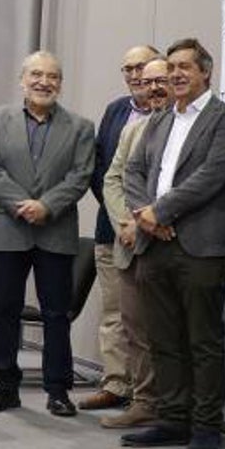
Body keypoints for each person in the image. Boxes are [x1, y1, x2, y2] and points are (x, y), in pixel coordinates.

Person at [119, 37, 225, 449]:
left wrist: (161, 212)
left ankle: (206, 426)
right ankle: (172, 418)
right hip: (154, 244)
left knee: (203, 340)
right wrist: (146, 216)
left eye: (184, 67)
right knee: (163, 336)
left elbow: (212, 176)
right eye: (171, 66)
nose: (175, 74)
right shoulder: (159, 119)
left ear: (205, 72)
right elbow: (134, 170)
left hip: (201, 246)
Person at [0, 50, 95, 417]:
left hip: (55, 230)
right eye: (37, 74)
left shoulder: (81, 127)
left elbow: (81, 175)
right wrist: (23, 205)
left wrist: (47, 206)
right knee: (5, 310)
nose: (44, 82)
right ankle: (4, 387)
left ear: (60, 83)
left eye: (53, 76)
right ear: (22, 79)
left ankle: (58, 390)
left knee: (56, 314)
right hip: (7, 228)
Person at [79, 44, 158, 412]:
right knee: (113, 314)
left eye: (140, 66)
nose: (133, 75)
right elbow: (101, 170)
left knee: (146, 320)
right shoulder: (115, 111)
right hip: (112, 230)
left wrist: (139, 222)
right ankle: (116, 383)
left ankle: (148, 394)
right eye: (126, 69)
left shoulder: (167, 115)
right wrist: (122, 219)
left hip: (156, 232)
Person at [99, 57, 170, 429]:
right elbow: (113, 178)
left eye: (162, 79)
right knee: (135, 329)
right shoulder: (132, 129)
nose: (154, 86)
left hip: (166, 242)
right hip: (128, 240)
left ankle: (170, 406)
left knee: (168, 331)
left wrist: (142, 223)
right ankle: (143, 401)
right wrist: (124, 222)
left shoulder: (186, 127)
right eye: (148, 80)